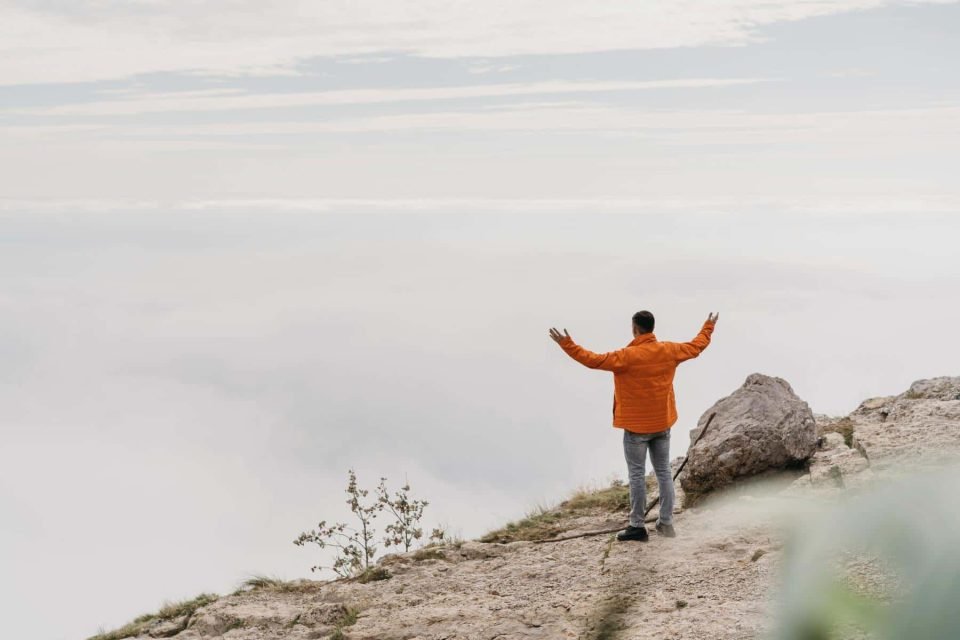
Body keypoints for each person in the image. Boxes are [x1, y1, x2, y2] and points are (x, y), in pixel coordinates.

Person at [548, 311, 718, 542]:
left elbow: (592, 360)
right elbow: (696, 346)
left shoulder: (626, 356)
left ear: (635, 329)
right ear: (652, 328)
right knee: (664, 473)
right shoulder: (669, 350)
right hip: (662, 424)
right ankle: (666, 523)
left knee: (637, 475)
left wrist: (566, 344)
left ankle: (637, 526)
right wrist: (708, 326)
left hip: (636, 427)